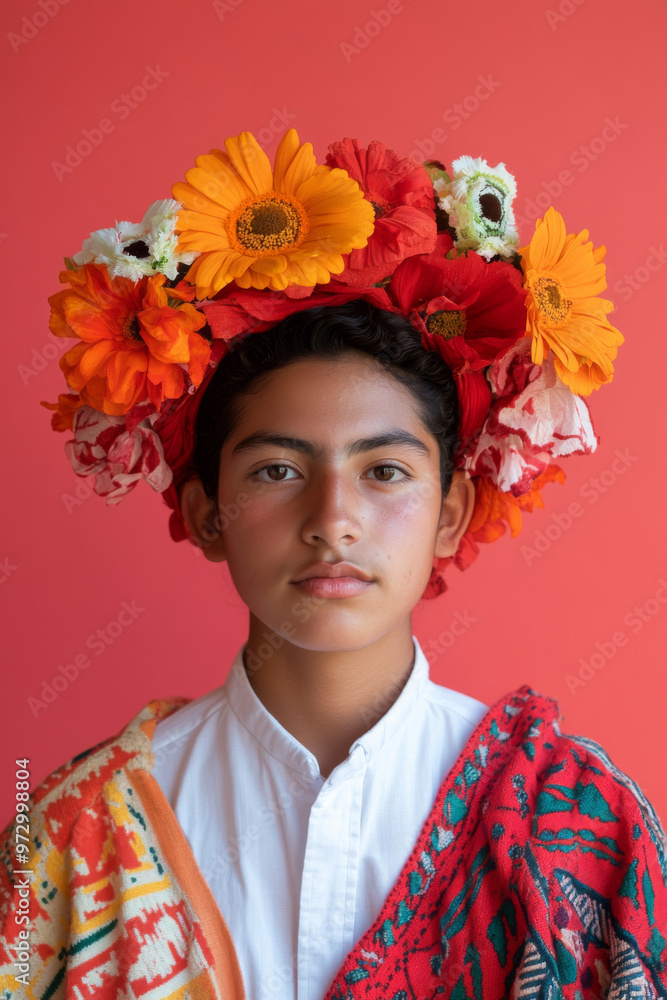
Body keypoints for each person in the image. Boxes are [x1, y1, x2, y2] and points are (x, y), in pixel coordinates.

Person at [2, 127, 666, 999]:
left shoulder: (580, 823)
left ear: (449, 513)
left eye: (384, 472)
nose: (333, 521)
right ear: (206, 514)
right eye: (277, 471)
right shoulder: (58, 827)